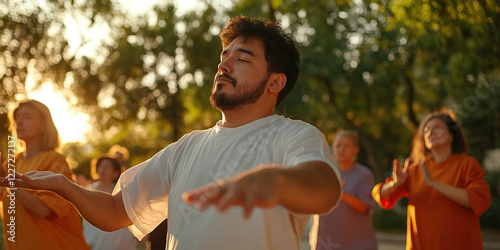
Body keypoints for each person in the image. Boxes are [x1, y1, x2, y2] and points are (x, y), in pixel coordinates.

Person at [1, 16, 342, 250]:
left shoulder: (293, 136)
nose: (224, 64)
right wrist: (64, 186)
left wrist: (275, 182)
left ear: (275, 81)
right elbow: (115, 212)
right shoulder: (187, 147)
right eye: (224, 56)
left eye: (243, 58)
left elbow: (324, 188)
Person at [372, 109, 491, 250]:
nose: (430, 133)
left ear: (452, 135)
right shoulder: (415, 169)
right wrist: (395, 183)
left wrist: (433, 183)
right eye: (427, 130)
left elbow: (477, 199)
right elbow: (382, 196)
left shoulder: (467, 164)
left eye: (437, 128)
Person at [0, 99, 89, 250]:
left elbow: (43, 210)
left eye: (27, 117)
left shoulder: (56, 161)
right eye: (17, 117)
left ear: (43, 125)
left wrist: (11, 183)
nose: (19, 122)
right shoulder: (9, 164)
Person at [310, 130, 377, 250]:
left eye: (346, 146)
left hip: (358, 243)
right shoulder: (324, 172)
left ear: (355, 150)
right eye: (338, 145)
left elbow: (364, 207)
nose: (341, 149)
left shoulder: (364, 175)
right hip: (326, 241)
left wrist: (341, 194)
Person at [83, 154, 139, 250]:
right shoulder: (89, 190)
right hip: (96, 240)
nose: (103, 169)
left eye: (107, 167)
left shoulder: (122, 191)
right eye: (100, 166)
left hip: (121, 240)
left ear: (116, 173)